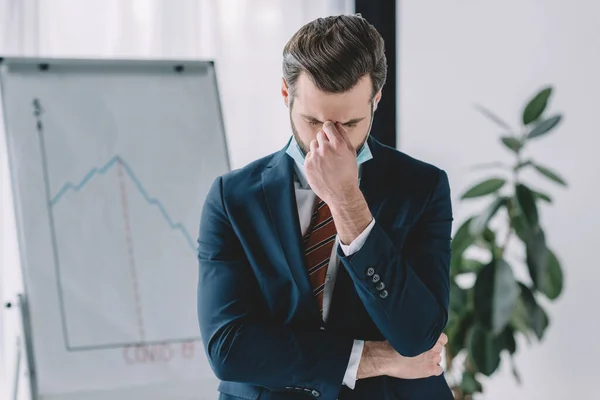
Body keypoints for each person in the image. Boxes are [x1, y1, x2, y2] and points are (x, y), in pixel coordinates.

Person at [197, 14, 454, 400]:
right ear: (286, 94)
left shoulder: (422, 188)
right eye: (313, 121)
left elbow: (417, 335)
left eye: (349, 123)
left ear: (376, 100)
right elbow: (229, 349)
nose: (329, 140)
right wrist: (370, 358)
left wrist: (348, 203)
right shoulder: (232, 199)